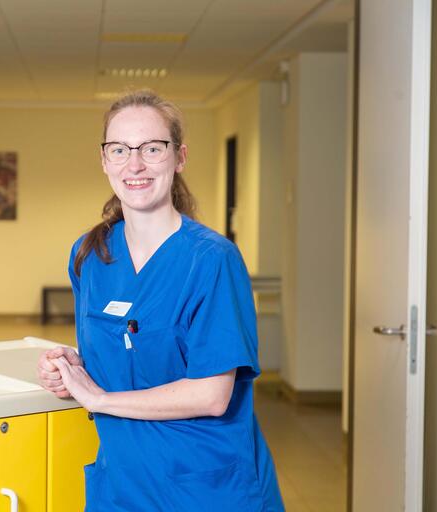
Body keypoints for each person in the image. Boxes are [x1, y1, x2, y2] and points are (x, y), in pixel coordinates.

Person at [37, 90, 284, 512]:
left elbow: (211, 393)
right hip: (122, 482)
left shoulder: (212, 260)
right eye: (119, 150)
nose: (135, 164)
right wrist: (71, 368)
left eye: (152, 148)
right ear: (104, 160)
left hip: (203, 485)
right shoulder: (90, 255)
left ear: (179, 157)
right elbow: (130, 346)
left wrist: (98, 399)